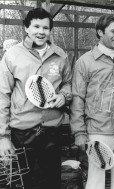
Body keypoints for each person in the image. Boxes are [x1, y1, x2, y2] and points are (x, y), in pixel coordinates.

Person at [0, 7, 72, 189]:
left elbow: (68, 84)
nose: (41, 32)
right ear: (26, 28)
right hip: (22, 133)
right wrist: (3, 137)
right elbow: (2, 96)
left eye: (45, 28)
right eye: (36, 27)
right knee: (23, 183)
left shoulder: (60, 55)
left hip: (52, 132)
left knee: (51, 182)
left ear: (50, 30)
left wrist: (64, 96)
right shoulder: (12, 56)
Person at [70, 14, 114, 189]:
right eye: (113, 31)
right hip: (98, 129)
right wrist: (79, 132)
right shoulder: (85, 62)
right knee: (96, 180)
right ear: (100, 32)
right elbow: (77, 98)